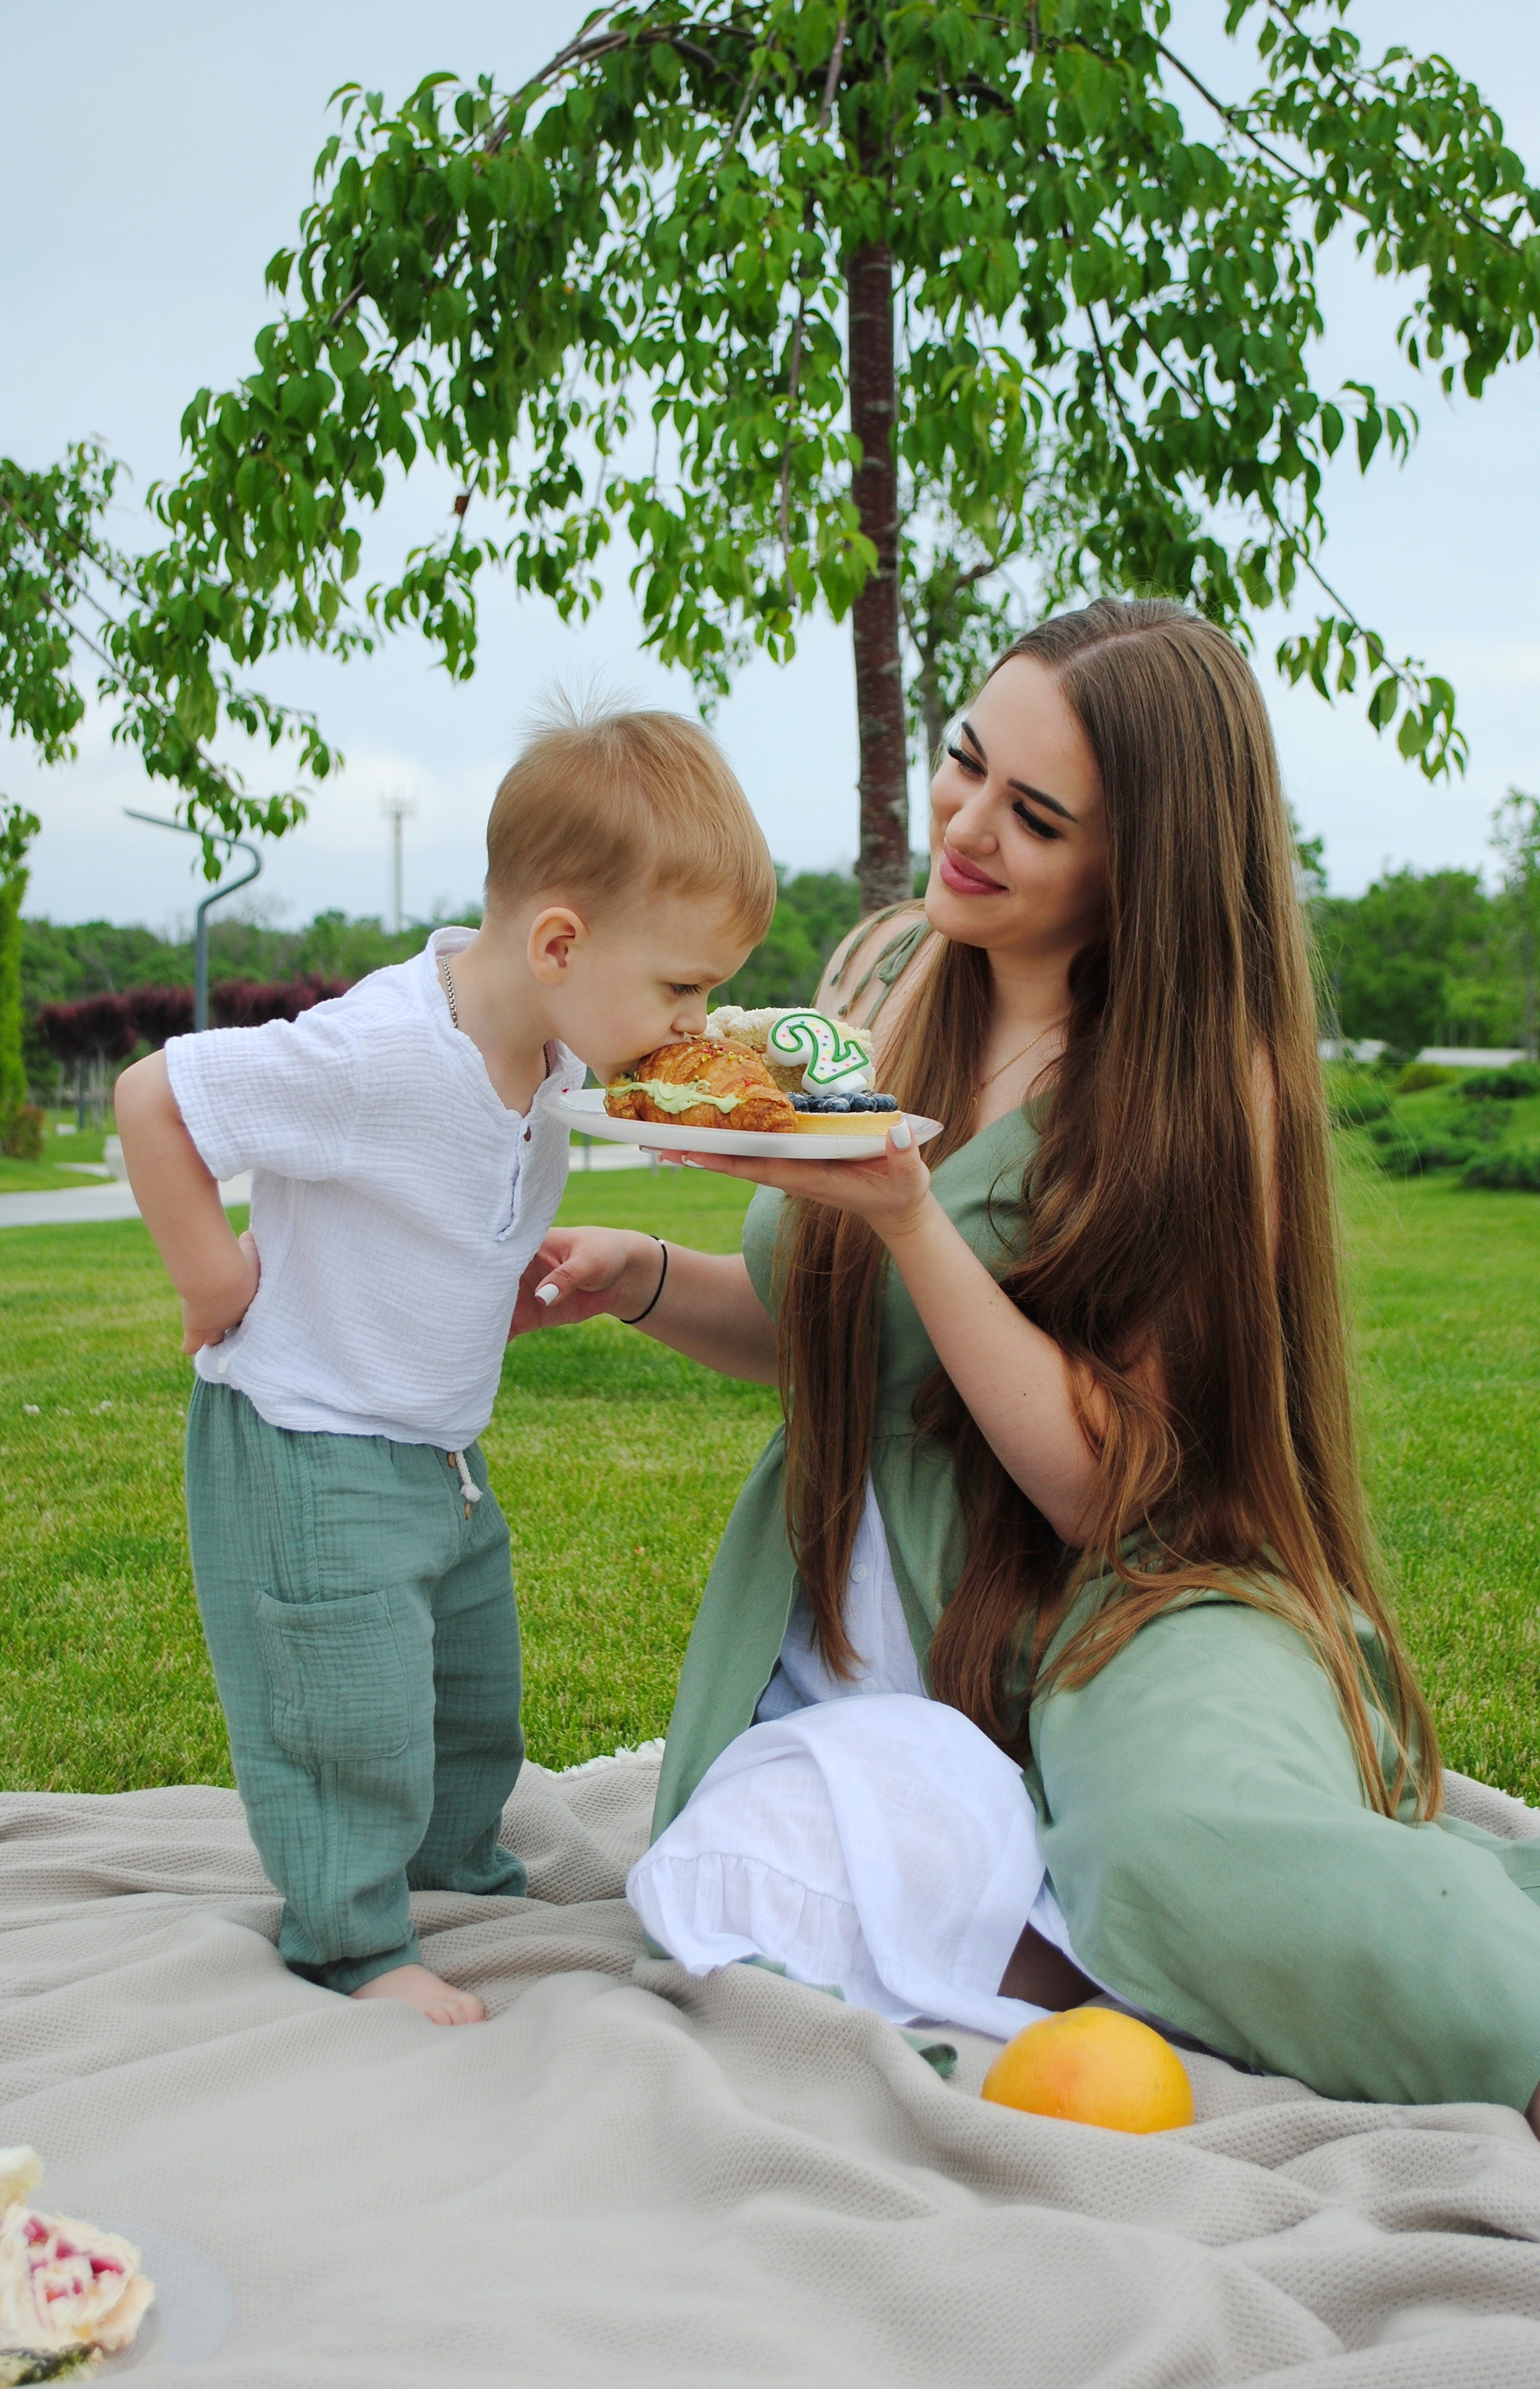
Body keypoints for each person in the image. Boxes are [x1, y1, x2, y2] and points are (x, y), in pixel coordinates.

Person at [514, 600, 1540, 2117]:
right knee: (733, 1877)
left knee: (1183, 1856)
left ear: (1141, 864)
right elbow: (841, 1333)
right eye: (962, 762)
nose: (967, 825)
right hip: (886, 1636)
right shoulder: (889, 980)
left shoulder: (1203, 1090)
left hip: (1133, 1605)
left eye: (1035, 816)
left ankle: (1343, 1932)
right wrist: (643, 1281)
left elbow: (1098, 1489)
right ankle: (1114, 1930)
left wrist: (915, 1219)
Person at [116, 703, 773, 2024]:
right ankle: (352, 1938)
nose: (691, 1021)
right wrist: (214, 1279)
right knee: (345, 1714)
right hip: (310, 1441)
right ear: (558, 943)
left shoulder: (537, 1064)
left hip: (437, 1453)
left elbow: (435, 1212)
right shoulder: (381, 1051)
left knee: (472, 1702)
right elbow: (156, 1100)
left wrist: (507, 1285)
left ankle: (452, 1878)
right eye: (679, 989)